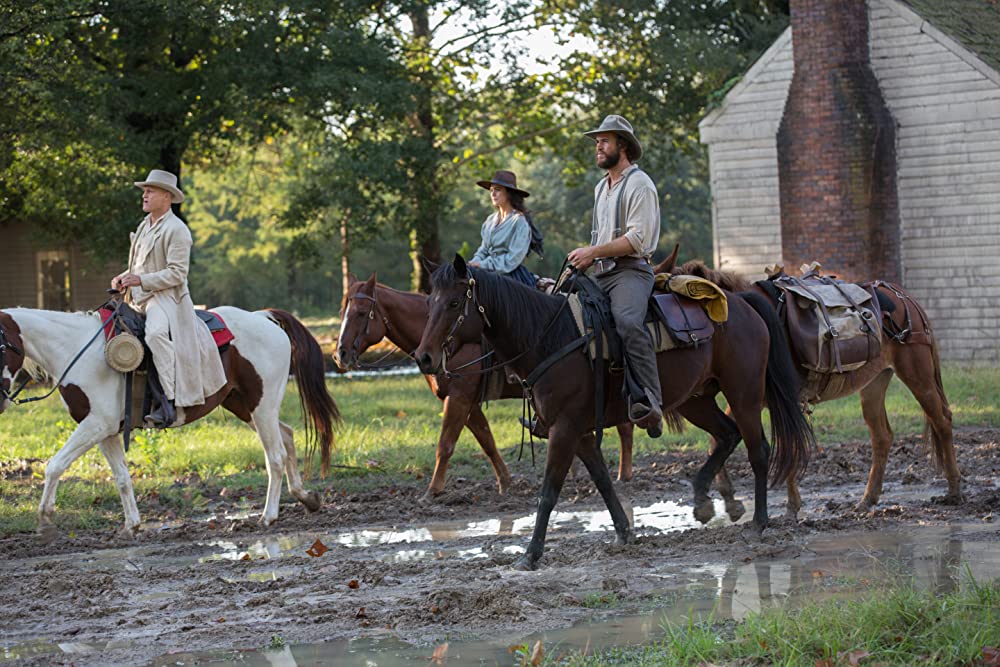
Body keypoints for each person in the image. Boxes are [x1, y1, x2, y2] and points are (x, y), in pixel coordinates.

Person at [567, 115, 663, 436]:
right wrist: (585, 259)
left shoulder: (640, 184)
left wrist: (592, 252)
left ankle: (650, 399)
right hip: (601, 272)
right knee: (562, 314)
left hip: (631, 272)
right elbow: (601, 238)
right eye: (597, 141)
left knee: (627, 322)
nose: (598, 146)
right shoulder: (600, 187)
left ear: (622, 146)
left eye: (604, 141)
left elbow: (637, 240)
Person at [111, 169, 227, 427]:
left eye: (150, 191)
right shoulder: (144, 227)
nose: (144, 195)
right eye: (144, 190)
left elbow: (177, 274)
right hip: (139, 297)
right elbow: (140, 267)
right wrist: (123, 278)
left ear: (166, 196)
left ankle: (170, 399)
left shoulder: (177, 230)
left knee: (154, 335)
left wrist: (139, 280)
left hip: (166, 300)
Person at [468, 170, 537, 286]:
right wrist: (473, 263)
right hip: (486, 274)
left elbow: (512, 259)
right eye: (491, 190)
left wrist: (483, 265)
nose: (493, 194)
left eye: (498, 190)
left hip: (510, 278)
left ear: (509, 193)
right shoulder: (490, 221)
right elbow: (484, 249)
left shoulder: (519, 222)